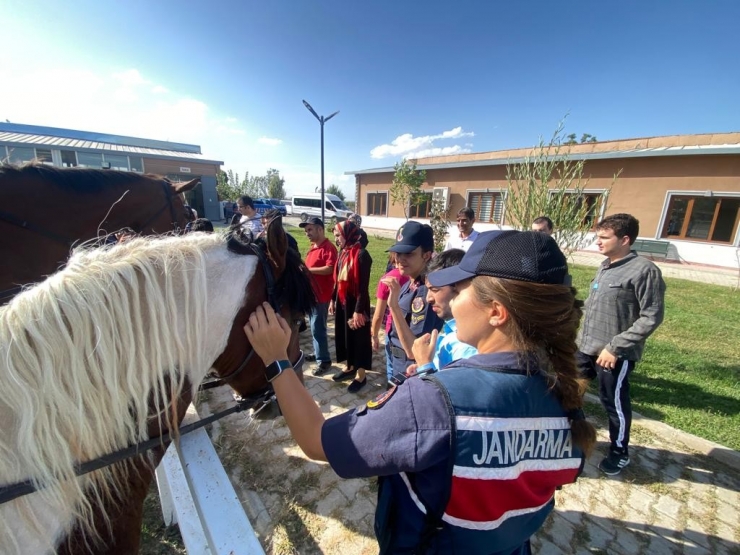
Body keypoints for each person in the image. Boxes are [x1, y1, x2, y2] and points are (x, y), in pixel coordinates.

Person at [242, 229, 596, 554]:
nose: (449, 303)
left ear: (496, 312)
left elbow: (317, 441)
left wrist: (277, 360)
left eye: (459, 291)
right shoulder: (564, 398)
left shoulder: (433, 400)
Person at [577, 213, 665, 476]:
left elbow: (652, 316)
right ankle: (571, 437)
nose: (597, 242)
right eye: (597, 236)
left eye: (604, 237)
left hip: (615, 355)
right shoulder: (605, 265)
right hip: (585, 347)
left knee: (613, 403)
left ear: (625, 239)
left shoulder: (644, 270)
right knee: (569, 392)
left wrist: (615, 347)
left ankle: (619, 451)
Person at [382, 222, 443, 381]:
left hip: (410, 369)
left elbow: (413, 350)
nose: (400, 259)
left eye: (408, 253)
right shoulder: (411, 282)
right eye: (398, 253)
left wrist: (393, 306)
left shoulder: (424, 292)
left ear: (427, 255)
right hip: (397, 361)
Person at [409, 248, 477, 374]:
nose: (428, 298)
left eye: (434, 290)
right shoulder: (452, 330)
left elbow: (450, 393)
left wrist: (425, 367)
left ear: (458, 287)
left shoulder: (467, 347)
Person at [329, 220, 373, 393]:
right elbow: (337, 280)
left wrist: (358, 311)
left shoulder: (362, 255)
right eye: (335, 236)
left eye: (338, 235)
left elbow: (363, 287)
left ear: (348, 234)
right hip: (343, 302)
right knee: (345, 336)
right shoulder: (343, 252)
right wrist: (333, 300)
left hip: (357, 304)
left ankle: (361, 375)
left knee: (359, 338)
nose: (337, 240)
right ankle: (350, 367)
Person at [300, 217, 338, 376]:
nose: (307, 233)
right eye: (306, 230)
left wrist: (308, 270)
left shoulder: (329, 248)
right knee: (314, 328)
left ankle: (324, 361)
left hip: (321, 297)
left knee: (318, 329)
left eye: (310, 229)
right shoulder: (313, 247)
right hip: (311, 295)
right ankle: (318, 353)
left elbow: (330, 269)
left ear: (320, 229)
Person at [370, 253, 410, 385]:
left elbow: (378, 315)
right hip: (412, 328)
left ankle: (391, 391)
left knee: (392, 366)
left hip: (393, 330)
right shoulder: (416, 275)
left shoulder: (387, 279)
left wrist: (374, 335)